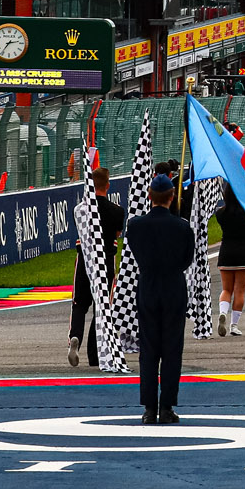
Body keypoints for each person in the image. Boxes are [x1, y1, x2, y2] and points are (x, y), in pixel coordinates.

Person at [126, 172, 194, 425]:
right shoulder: (183, 226)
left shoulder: (135, 225)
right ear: (172, 196)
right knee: (172, 349)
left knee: (149, 349)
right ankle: (166, 407)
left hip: (148, 287)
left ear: (149, 196)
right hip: (174, 287)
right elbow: (187, 259)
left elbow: (135, 252)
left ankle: (149, 409)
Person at [68, 167, 126, 367]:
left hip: (84, 261)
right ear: (108, 186)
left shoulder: (80, 210)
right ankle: (94, 355)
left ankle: (75, 336)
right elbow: (117, 234)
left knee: (79, 304)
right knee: (101, 308)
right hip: (106, 262)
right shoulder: (117, 211)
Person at [215, 194, 245, 336]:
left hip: (226, 251)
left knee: (226, 289)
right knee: (240, 290)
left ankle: (222, 312)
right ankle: (234, 325)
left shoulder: (220, 213)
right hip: (244, 252)